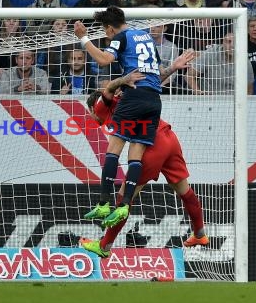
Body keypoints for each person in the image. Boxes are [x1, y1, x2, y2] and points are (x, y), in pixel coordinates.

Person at [74, 6, 195, 228]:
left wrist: (84, 39)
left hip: (133, 97)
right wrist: (174, 68)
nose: (108, 36)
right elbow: (156, 74)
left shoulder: (120, 37)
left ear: (109, 29)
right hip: (154, 101)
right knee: (136, 157)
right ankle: (123, 206)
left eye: (105, 32)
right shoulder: (147, 37)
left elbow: (103, 60)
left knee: (113, 150)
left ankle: (103, 203)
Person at [79, 80, 208, 257]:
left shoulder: (102, 107)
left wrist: (117, 87)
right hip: (169, 138)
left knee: (125, 197)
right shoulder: (125, 101)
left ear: (93, 108)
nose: (92, 117)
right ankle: (200, 234)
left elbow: (106, 93)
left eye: (90, 113)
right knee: (184, 190)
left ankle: (104, 246)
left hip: (153, 144)